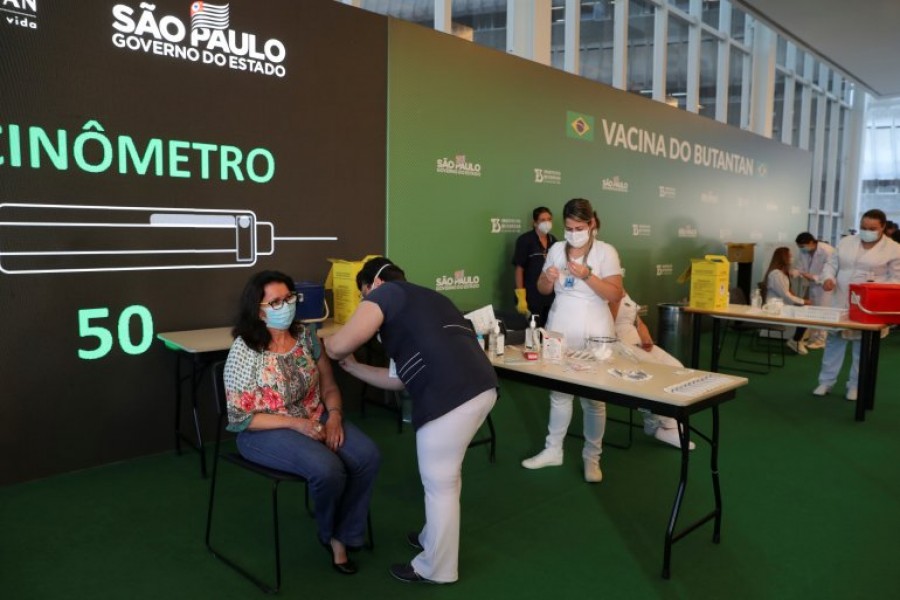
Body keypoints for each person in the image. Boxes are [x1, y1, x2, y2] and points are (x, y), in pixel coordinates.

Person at [324, 258, 497, 585]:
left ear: (371, 285)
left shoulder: (384, 294)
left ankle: (436, 568)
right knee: (447, 478)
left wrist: (331, 348)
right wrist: (354, 368)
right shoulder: (431, 298)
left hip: (448, 396)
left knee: (440, 484)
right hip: (481, 388)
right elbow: (400, 378)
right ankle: (433, 538)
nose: (364, 302)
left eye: (363, 295)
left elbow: (337, 346)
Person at [223, 270, 380, 576]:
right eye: (276, 302)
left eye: (289, 298)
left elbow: (330, 387)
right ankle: (331, 535)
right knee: (327, 469)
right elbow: (241, 417)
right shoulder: (245, 350)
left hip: (315, 415)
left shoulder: (308, 338)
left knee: (367, 456)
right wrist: (297, 426)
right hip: (263, 429)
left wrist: (334, 417)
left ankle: (344, 531)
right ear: (258, 309)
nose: (286, 306)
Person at [520, 198, 624, 483]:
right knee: (559, 393)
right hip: (560, 326)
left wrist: (588, 275)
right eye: (568, 227)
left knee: (594, 400)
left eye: (579, 227)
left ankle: (592, 458)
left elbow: (615, 294)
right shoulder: (555, 249)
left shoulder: (605, 252)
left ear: (591, 224)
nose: (573, 232)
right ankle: (553, 450)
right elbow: (541, 289)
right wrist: (548, 277)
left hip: (595, 330)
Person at [814, 209, 900, 401]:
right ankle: (826, 381)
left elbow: (897, 279)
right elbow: (831, 264)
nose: (866, 231)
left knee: (863, 347)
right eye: (863, 227)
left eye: (872, 228)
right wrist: (827, 278)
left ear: (883, 227)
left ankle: (855, 386)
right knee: (834, 342)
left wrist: (873, 288)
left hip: (870, 304)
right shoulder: (846, 242)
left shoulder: (894, 249)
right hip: (840, 299)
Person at [611, 292, 695, 450]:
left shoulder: (621, 288)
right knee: (658, 373)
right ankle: (665, 426)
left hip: (637, 344)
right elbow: (607, 326)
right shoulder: (603, 288)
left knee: (677, 368)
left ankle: (659, 421)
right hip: (618, 347)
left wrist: (645, 335)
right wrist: (614, 296)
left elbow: (637, 320)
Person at [512, 206, 557, 326]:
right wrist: (521, 296)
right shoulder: (525, 240)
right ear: (535, 223)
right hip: (530, 297)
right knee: (532, 334)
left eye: (549, 219)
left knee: (547, 333)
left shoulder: (554, 242)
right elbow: (519, 269)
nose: (547, 222)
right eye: (543, 220)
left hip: (550, 298)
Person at [765, 246, 811, 354]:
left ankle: (796, 339)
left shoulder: (781, 273)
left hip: (780, 305)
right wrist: (803, 301)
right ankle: (795, 340)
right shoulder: (776, 274)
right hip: (775, 307)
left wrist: (801, 301)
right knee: (804, 314)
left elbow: (788, 292)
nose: (792, 258)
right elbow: (786, 295)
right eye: (790, 256)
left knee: (806, 312)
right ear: (783, 258)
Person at [794, 232, 835, 349]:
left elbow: (831, 271)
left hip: (825, 286)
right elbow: (800, 266)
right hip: (812, 285)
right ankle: (813, 338)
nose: (802, 249)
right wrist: (797, 271)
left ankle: (822, 340)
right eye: (800, 247)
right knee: (813, 312)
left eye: (803, 246)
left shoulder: (827, 251)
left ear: (811, 242)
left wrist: (814, 277)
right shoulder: (804, 251)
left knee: (823, 312)